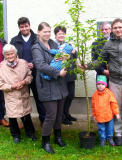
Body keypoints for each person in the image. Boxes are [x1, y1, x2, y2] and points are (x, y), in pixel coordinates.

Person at [83, 18, 122, 146]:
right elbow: (100, 61)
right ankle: (117, 133)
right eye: (115, 28)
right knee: (114, 108)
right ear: (112, 30)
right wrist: (87, 66)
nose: (118, 30)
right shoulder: (108, 45)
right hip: (114, 81)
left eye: (120, 27)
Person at [31, 22, 68, 154]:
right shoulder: (36, 47)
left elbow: (62, 55)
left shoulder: (53, 44)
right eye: (44, 31)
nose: (47, 34)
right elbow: (40, 65)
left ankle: (58, 137)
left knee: (59, 114)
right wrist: (58, 73)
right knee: (51, 115)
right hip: (46, 85)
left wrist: (65, 57)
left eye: (48, 31)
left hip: (60, 85)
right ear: (39, 32)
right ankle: (45, 141)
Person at [0, 44, 37, 143]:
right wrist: (11, 87)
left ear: (15, 53)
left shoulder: (23, 63)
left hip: (23, 94)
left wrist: (23, 82)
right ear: (4, 56)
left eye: (11, 54)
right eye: (7, 54)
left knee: (26, 115)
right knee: (12, 117)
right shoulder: (2, 68)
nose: (10, 56)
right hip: (11, 96)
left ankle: (30, 133)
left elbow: (29, 76)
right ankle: (16, 135)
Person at [10, 17, 46, 129]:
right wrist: (20, 64)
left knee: (39, 98)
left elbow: (43, 53)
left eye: (26, 26)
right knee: (23, 99)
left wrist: (34, 63)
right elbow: (11, 56)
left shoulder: (37, 38)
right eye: (22, 27)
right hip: (21, 75)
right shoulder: (14, 40)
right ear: (19, 28)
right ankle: (24, 121)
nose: (24, 28)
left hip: (36, 74)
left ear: (29, 26)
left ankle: (43, 119)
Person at [54, 26, 78, 125]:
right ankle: (62, 117)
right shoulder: (54, 46)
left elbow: (74, 57)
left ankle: (66, 113)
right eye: (59, 33)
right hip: (61, 75)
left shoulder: (68, 45)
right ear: (55, 35)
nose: (61, 35)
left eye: (63, 33)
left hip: (70, 75)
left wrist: (74, 52)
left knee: (71, 95)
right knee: (63, 97)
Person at [91, 75, 120, 147]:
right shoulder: (95, 95)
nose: (100, 86)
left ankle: (110, 138)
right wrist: (94, 115)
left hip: (108, 115)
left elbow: (113, 103)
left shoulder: (109, 93)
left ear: (106, 85)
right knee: (101, 128)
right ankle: (102, 139)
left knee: (109, 128)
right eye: (98, 84)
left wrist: (116, 113)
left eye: (102, 84)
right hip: (100, 115)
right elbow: (93, 106)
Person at [91, 22, 111, 87]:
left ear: (110, 30)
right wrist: (103, 71)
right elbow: (94, 60)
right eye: (102, 30)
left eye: (106, 29)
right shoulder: (95, 44)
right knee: (101, 95)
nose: (104, 31)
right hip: (101, 75)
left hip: (115, 76)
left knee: (113, 96)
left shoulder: (116, 42)